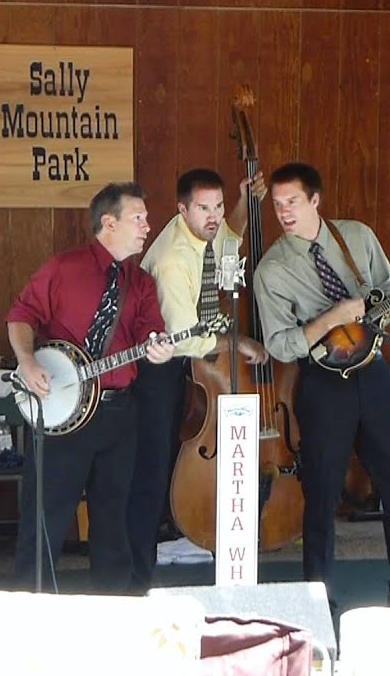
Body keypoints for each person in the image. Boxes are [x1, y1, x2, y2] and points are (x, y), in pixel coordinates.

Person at [252, 162, 390, 607]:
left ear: (315, 201)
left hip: (375, 372)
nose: (284, 211)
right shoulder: (270, 271)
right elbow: (281, 344)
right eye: (277, 204)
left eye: (292, 201)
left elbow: (384, 298)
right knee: (322, 493)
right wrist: (330, 319)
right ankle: (317, 600)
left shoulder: (358, 237)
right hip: (323, 385)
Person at [6, 181, 176, 593]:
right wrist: (27, 361)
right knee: (46, 515)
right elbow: (21, 315)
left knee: (114, 517)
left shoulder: (141, 283)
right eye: (138, 218)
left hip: (119, 412)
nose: (146, 226)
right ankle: (31, 605)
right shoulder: (63, 269)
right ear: (108, 222)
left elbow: (151, 333)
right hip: (63, 409)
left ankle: (113, 606)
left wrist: (160, 350)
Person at [126, 167, 269, 592]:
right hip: (161, 365)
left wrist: (245, 202)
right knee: (152, 469)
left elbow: (229, 238)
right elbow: (186, 338)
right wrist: (237, 340)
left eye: (218, 206)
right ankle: (138, 576)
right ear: (181, 209)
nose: (213, 215)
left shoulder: (206, 232)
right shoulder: (173, 260)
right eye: (203, 208)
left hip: (188, 367)